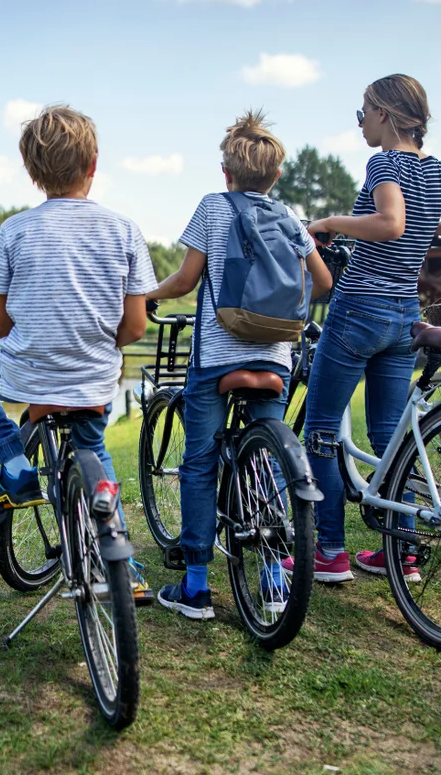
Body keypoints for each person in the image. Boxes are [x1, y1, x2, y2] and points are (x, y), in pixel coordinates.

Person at [285, 74, 441, 584]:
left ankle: (330, 552)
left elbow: (389, 224)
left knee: (320, 431)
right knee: (390, 434)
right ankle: (400, 552)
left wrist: (331, 221)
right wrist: (433, 220)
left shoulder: (384, 162)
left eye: (363, 113)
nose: (360, 124)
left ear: (384, 114)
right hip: (405, 313)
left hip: (359, 307)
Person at [0, 104, 158, 600]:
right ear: (93, 164)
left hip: (25, 376)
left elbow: (1, 324)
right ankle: (122, 566)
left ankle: (14, 463)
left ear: (31, 172)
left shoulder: (14, 231)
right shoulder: (124, 230)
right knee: (94, 451)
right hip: (93, 379)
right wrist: (96, 344)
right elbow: (135, 325)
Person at [145, 110, 333, 619]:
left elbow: (185, 281)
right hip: (275, 355)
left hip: (218, 358)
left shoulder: (212, 207)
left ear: (226, 172)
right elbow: (323, 282)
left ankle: (196, 586)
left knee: (200, 464)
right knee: (270, 461)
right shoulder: (291, 216)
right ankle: (274, 577)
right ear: (275, 176)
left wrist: (147, 295)